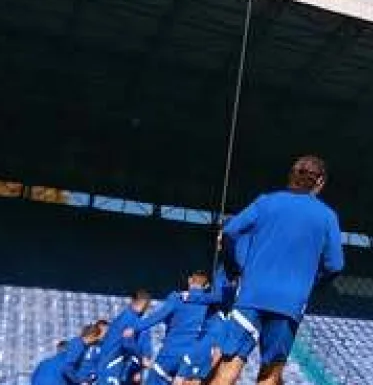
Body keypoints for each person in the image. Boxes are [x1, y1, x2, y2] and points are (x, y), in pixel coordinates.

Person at [210, 155, 345, 385]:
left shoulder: (266, 202)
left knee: (228, 368)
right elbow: (335, 265)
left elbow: (230, 232)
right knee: (269, 376)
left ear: (291, 175)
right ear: (320, 182)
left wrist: (235, 267)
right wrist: (311, 286)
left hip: (252, 296)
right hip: (289, 303)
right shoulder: (327, 216)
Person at [130, 271, 217, 385]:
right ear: (206, 286)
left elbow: (157, 316)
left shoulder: (177, 298)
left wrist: (135, 328)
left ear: (189, 280)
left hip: (170, 353)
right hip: (190, 358)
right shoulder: (208, 303)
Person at [93, 289, 152, 385]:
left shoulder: (125, 317)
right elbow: (127, 343)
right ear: (145, 303)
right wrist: (142, 359)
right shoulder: (132, 319)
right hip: (111, 366)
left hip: (109, 366)